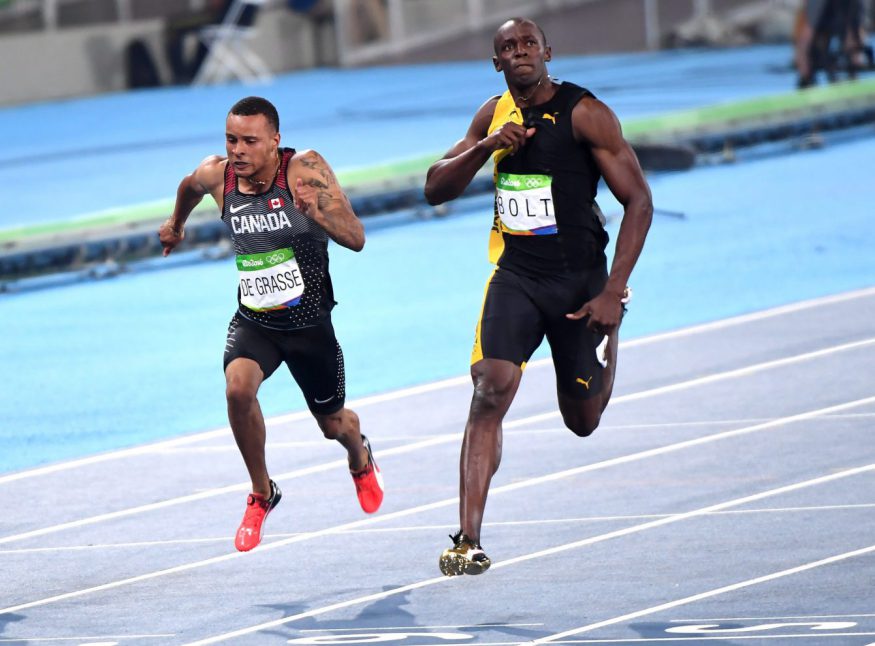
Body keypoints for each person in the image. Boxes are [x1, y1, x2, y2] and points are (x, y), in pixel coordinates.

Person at [423, 18, 652, 576]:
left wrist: (613, 291)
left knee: (583, 421)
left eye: (528, 44)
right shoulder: (491, 115)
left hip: (581, 286)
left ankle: (609, 338)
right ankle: (467, 538)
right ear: (496, 63)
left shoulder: (584, 112)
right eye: (507, 48)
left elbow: (639, 201)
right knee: (489, 389)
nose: (519, 53)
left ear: (547, 52)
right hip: (518, 277)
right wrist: (484, 146)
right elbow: (434, 188)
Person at [158, 96, 383, 552]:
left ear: (274, 141)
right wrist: (176, 224)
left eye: (249, 141)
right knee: (238, 388)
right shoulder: (217, 175)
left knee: (333, 424)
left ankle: (360, 457)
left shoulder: (304, 171)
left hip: (309, 326)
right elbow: (188, 185)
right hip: (255, 321)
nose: (237, 149)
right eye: (230, 139)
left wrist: (318, 214)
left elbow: (356, 238)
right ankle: (262, 492)